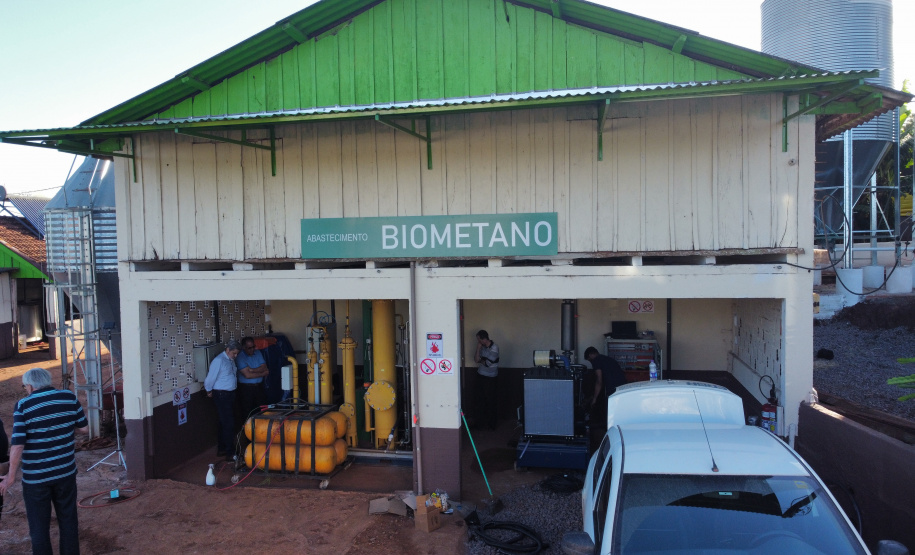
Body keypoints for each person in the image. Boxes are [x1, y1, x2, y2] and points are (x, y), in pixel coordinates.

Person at [0, 367, 88, 555]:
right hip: (65, 472)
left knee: (39, 527)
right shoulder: (69, 397)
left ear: (30, 386)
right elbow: (84, 429)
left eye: (25, 387)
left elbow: (17, 444)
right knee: (68, 520)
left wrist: (10, 476)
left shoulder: (23, 405)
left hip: (36, 478)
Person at [584, 346, 626, 451]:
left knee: (611, 416)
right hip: (623, 389)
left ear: (591, 355)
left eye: (589, 360)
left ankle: (611, 439)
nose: (590, 362)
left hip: (614, 391)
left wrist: (594, 398)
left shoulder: (596, 360)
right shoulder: (607, 359)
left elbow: (599, 380)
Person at [205, 340, 241, 461]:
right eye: (234, 353)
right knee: (228, 423)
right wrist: (209, 390)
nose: (235, 356)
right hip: (221, 394)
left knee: (224, 422)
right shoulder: (219, 361)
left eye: (237, 354)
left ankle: (222, 448)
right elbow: (210, 378)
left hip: (230, 393)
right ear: (228, 350)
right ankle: (230, 452)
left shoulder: (230, 360)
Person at [236, 337, 269, 420]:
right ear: (244, 347)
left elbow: (264, 367)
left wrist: (252, 370)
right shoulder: (240, 356)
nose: (252, 349)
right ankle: (247, 431)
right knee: (247, 411)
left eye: (253, 347)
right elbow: (247, 375)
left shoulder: (258, 353)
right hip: (246, 388)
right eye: (249, 348)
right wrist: (262, 374)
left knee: (262, 409)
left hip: (259, 387)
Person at [473, 330, 500, 430]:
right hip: (481, 376)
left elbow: (488, 364)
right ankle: (479, 424)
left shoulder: (494, 348)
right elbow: (476, 360)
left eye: (478, 339)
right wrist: (478, 348)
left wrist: (482, 360)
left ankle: (492, 425)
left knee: (491, 401)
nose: (478, 341)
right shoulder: (482, 347)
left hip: (491, 378)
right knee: (479, 401)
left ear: (483, 339)